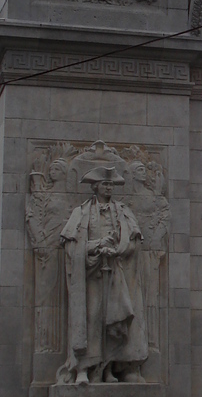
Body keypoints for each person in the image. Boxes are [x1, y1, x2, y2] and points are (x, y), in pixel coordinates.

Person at [58, 165, 146, 385]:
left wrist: (117, 250)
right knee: (92, 320)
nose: (109, 188)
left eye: (111, 184)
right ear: (95, 187)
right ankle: (84, 369)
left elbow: (133, 241)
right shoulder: (81, 212)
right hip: (91, 276)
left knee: (114, 320)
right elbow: (70, 246)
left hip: (116, 274)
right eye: (105, 184)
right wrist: (97, 246)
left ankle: (109, 369)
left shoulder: (123, 211)